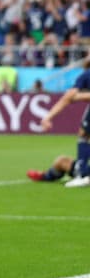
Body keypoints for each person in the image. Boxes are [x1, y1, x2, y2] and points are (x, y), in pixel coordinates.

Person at [38, 58, 90, 187]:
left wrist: (48, 118)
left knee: (83, 134)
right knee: (61, 161)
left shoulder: (86, 75)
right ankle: (47, 176)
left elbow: (68, 97)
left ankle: (82, 175)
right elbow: (67, 98)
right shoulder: (85, 75)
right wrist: (48, 117)